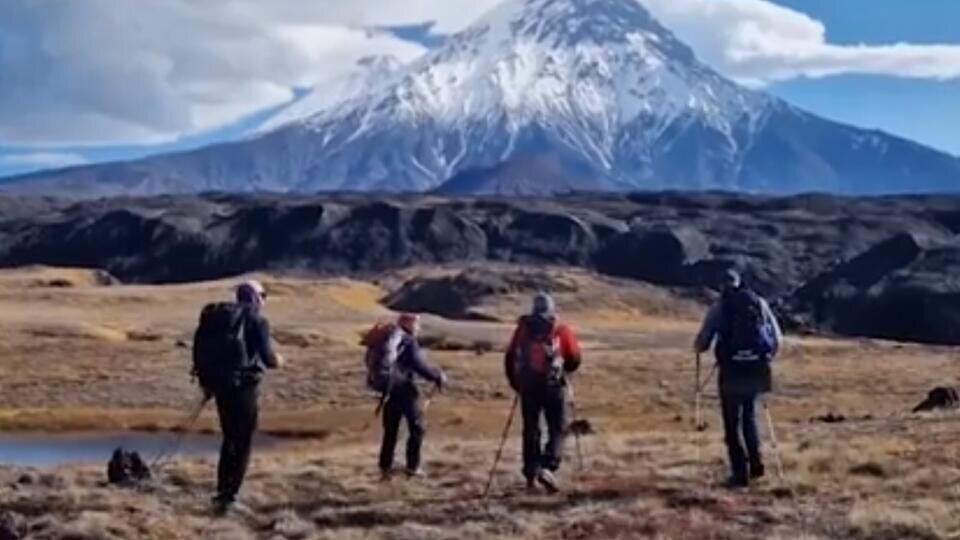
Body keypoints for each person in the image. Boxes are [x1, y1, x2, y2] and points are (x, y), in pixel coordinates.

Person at [694, 269, 782, 488]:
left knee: (732, 423)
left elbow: (703, 341)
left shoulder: (720, 307)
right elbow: (777, 338)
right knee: (749, 416)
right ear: (740, 283)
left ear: (722, 286)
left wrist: (699, 347)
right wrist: (765, 357)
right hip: (755, 368)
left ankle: (740, 474)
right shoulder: (758, 302)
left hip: (731, 370)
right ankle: (756, 464)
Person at [212, 280, 284, 513]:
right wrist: (279, 360)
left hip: (221, 387)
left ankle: (222, 491)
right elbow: (268, 358)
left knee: (229, 438)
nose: (264, 300)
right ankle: (230, 497)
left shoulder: (222, 318)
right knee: (243, 441)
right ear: (255, 297)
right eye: (263, 295)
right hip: (244, 388)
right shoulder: (257, 321)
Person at [504, 292, 582, 493]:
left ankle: (531, 473)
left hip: (529, 387)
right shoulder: (560, 329)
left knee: (531, 429)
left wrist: (516, 383)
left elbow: (510, 357)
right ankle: (548, 466)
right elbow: (574, 358)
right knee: (558, 427)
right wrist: (564, 370)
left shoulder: (523, 328)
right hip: (553, 386)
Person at [378, 313, 447, 480]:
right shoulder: (408, 342)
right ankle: (412, 468)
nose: (418, 328)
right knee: (417, 429)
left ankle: (385, 468)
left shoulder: (391, 341)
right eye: (416, 325)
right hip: (406, 391)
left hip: (389, 391)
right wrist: (437, 376)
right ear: (409, 325)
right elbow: (419, 365)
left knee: (390, 431)